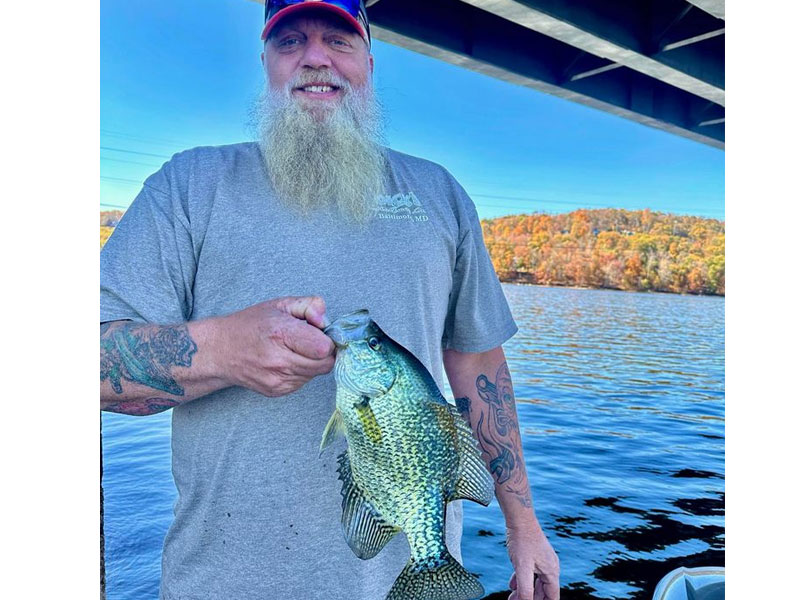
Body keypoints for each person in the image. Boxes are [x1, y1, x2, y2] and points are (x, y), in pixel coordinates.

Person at [100, 1, 560, 599]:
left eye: (338, 41)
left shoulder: (441, 194)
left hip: (412, 580)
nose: (315, 58)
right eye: (290, 41)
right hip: (223, 583)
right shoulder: (188, 186)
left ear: (369, 61)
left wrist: (522, 522)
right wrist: (225, 349)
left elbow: (480, 366)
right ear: (265, 62)